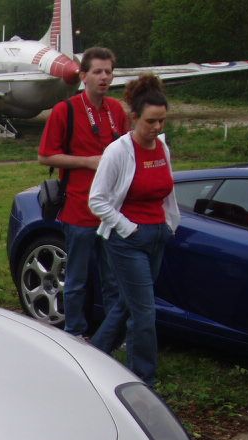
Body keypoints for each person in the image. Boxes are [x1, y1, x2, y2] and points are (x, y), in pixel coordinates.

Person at [88, 75, 178, 389]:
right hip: (127, 240)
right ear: (134, 118)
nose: (157, 128)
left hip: (157, 235)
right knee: (144, 312)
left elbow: (167, 190)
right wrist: (130, 229)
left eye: (162, 121)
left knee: (127, 304)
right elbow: (96, 200)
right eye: (151, 121)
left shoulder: (162, 147)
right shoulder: (118, 151)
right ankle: (144, 379)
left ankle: (91, 356)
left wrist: (168, 224)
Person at [38, 47, 129, 338]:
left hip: (112, 211)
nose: (104, 77)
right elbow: (46, 156)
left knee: (113, 278)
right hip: (80, 208)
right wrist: (87, 162)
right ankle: (75, 331)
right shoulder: (66, 110)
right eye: (98, 72)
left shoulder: (116, 110)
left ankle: (112, 334)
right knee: (77, 277)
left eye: (108, 72)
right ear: (83, 75)